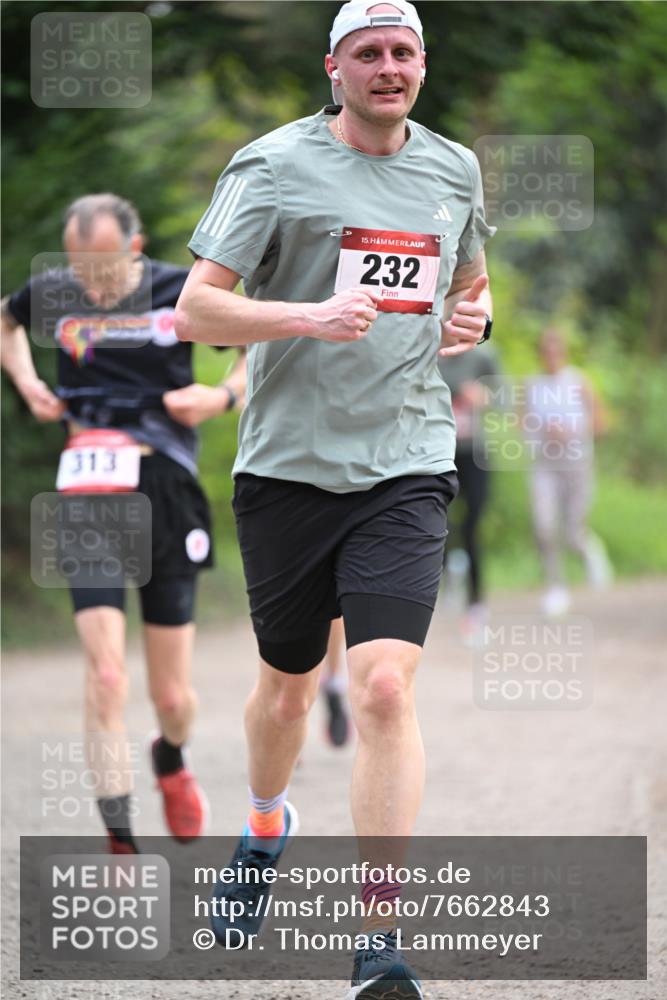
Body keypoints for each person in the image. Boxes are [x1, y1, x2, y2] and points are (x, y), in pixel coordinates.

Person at [175, 2, 494, 995]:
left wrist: (472, 318)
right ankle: (265, 824)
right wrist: (303, 314)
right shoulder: (272, 166)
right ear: (335, 68)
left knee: (386, 687)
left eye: (403, 52)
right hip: (287, 469)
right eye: (369, 53)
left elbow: (470, 285)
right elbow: (195, 304)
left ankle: (377, 942)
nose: (388, 67)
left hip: (405, 458)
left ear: (421, 64)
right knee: (285, 689)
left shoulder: (453, 170)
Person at [1, 193, 246, 854]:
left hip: (165, 487)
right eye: (78, 265)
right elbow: (7, 321)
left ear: (133, 250)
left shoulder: (180, 290)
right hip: (87, 487)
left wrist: (221, 395)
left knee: (172, 696)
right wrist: (27, 384)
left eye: (102, 266)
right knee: (107, 676)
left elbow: (260, 349)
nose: (88, 281)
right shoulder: (56, 290)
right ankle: (120, 840)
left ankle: (169, 755)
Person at [524, 328, 612, 617]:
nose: (551, 357)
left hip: (576, 464)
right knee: (544, 525)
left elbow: (602, 421)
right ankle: (556, 587)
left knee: (573, 530)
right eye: (545, 351)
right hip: (544, 465)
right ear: (540, 354)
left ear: (563, 353)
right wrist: (540, 433)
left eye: (556, 351)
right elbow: (521, 421)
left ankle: (589, 551)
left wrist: (571, 431)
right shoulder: (531, 385)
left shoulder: (578, 382)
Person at [438, 344, 502, 643]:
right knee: (437, 522)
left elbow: (502, 397)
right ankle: (448, 569)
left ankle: (475, 606)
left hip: (474, 453)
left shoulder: (483, 356)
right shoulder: (430, 348)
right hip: (437, 453)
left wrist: (481, 397)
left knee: (473, 525)